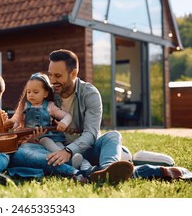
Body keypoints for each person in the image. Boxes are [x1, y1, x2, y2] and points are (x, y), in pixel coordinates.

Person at [9, 49, 134, 184]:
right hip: (54, 148)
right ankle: (93, 172)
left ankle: (107, 171)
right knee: (20, 153)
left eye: (57, 76)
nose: (52, 81)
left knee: (113, 136)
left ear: (73, 74)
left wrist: (68, 151)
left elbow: (91, 133)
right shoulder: (48, 93)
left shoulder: (90, 94)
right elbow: (27, 112)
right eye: (50, 75)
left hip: (86, 149)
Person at [5, 72, 91, 170]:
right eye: (28, 92)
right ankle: (70, 163)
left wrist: (64, 123)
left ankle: (80, 162)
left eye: (35, 92)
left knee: (57, 146)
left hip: (51, 137)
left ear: (45, 93)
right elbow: (16, 119)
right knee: (43, 145)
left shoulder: (50, 106)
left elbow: (67, 116)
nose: (31, 95)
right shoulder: (24, 105)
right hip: (33, 141)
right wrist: (12, 124)